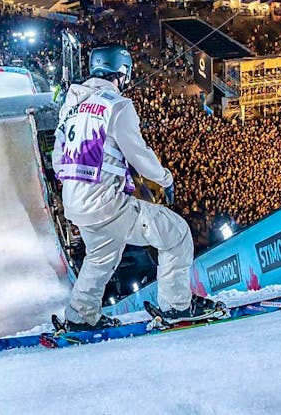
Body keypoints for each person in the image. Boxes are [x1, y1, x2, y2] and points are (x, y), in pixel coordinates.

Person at [52, 44, 222, 331]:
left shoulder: (71, 105)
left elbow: (58, 157)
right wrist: (165, 179)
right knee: (176, 233)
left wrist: (78, 184)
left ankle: (80, 315)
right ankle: (177, 305)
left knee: (101, 257)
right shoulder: (117, 106)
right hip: (105, 202)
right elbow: (138, 154)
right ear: (122, 72)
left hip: (75, 201)